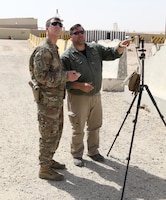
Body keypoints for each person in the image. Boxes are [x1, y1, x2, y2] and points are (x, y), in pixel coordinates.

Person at [61, 24, 130, 167]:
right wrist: (80, 86)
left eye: (82, 32)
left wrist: (120, 46)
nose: (80, 35)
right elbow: (62, 81)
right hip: (78, 97)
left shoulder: (95, 49)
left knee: (95, 125)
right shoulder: (67, 57)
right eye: (76, 33)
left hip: (96, 95)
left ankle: (93, 151)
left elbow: (112, 53)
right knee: (78, 127)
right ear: (71, 36)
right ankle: (77, 154)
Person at [29, 17, 79, 180]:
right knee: (48, 133)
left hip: (55, 101)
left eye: (60, 24)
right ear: (47, 28)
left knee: (56, 132)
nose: (58, 27)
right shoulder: (44, 50)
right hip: (47, 102)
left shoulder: (53, 48)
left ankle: (48, 160)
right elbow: (41, 77)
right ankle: (44, 168)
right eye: (54, 24)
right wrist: (66, 76)